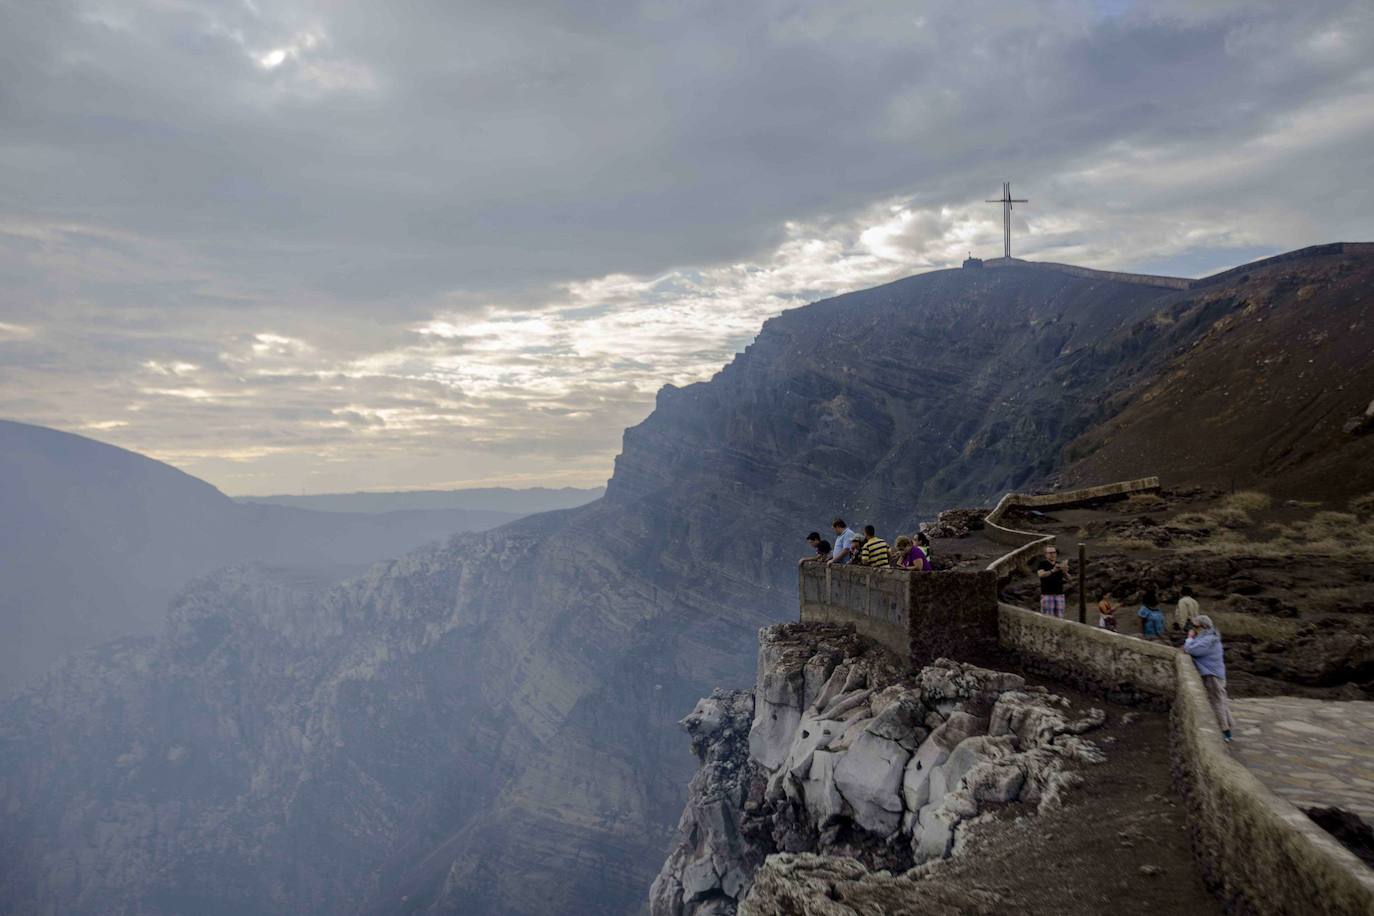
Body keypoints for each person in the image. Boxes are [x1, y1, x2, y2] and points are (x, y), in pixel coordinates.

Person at [1184, 615, 1234, 742]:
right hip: (1215, 673)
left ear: (1201, 627)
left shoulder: (1208, 640)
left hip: (1212, 675)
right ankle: (1227, 728)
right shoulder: (1209, 637)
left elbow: (1191, 649)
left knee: (1216, 702)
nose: (1192, 628)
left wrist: (1189, 638)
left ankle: (1224, 731)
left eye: (1194, 626)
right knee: (1221, 700)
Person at [1035, 544, 1068, 618]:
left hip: (1059, 594)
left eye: (1054, 552)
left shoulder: (1059, 564)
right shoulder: (1042, 564)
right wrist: (1053, 570)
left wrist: (1065, 572)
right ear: (1046, 555)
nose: (1052, 554)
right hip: (1047, 595)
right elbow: (1041, 574)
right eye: (1050, 553)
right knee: (1048, 618)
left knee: (1060, 618)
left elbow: (1069, 579)